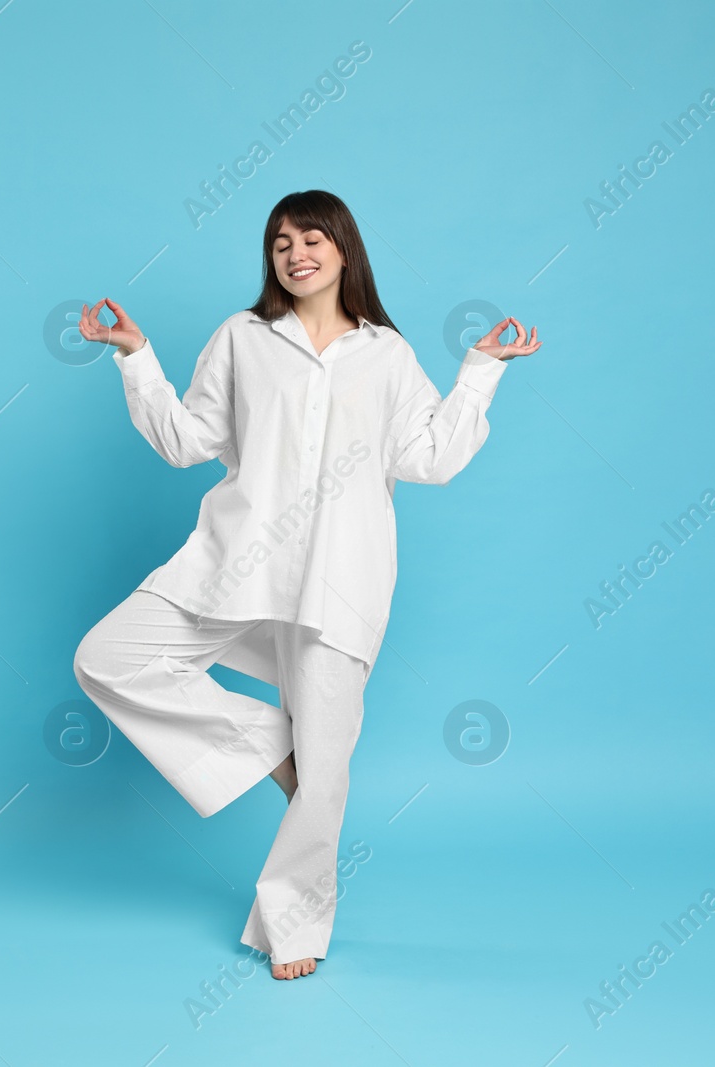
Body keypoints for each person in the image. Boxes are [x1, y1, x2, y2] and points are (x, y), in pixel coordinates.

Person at [72, 189, 539, 980]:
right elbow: (189, 440)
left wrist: (480, 372)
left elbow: (431, 458)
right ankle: (267, 747)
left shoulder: (386, 354)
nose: (295, 253)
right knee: (107, 657)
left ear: (344, 249)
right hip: (234, 564)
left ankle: (293, 929)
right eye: (281, 241)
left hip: (342, 581)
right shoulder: (241, 337)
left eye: (312, 238)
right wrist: (135, 355)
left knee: (325, 778)